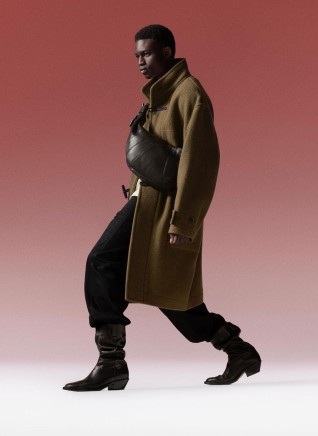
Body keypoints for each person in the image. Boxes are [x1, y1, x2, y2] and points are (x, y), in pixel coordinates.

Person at [63, 25, 261, 391]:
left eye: (148, 53)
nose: (141, 61)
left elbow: (200, 165)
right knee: (153, 285)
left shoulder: (189, 94)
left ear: (168, 52)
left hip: (167, 210)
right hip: (143, 205)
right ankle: (235, 350)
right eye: (137, 55)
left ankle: (114, 363)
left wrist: (183, 222)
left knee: (139, 278)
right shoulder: (158, 95)